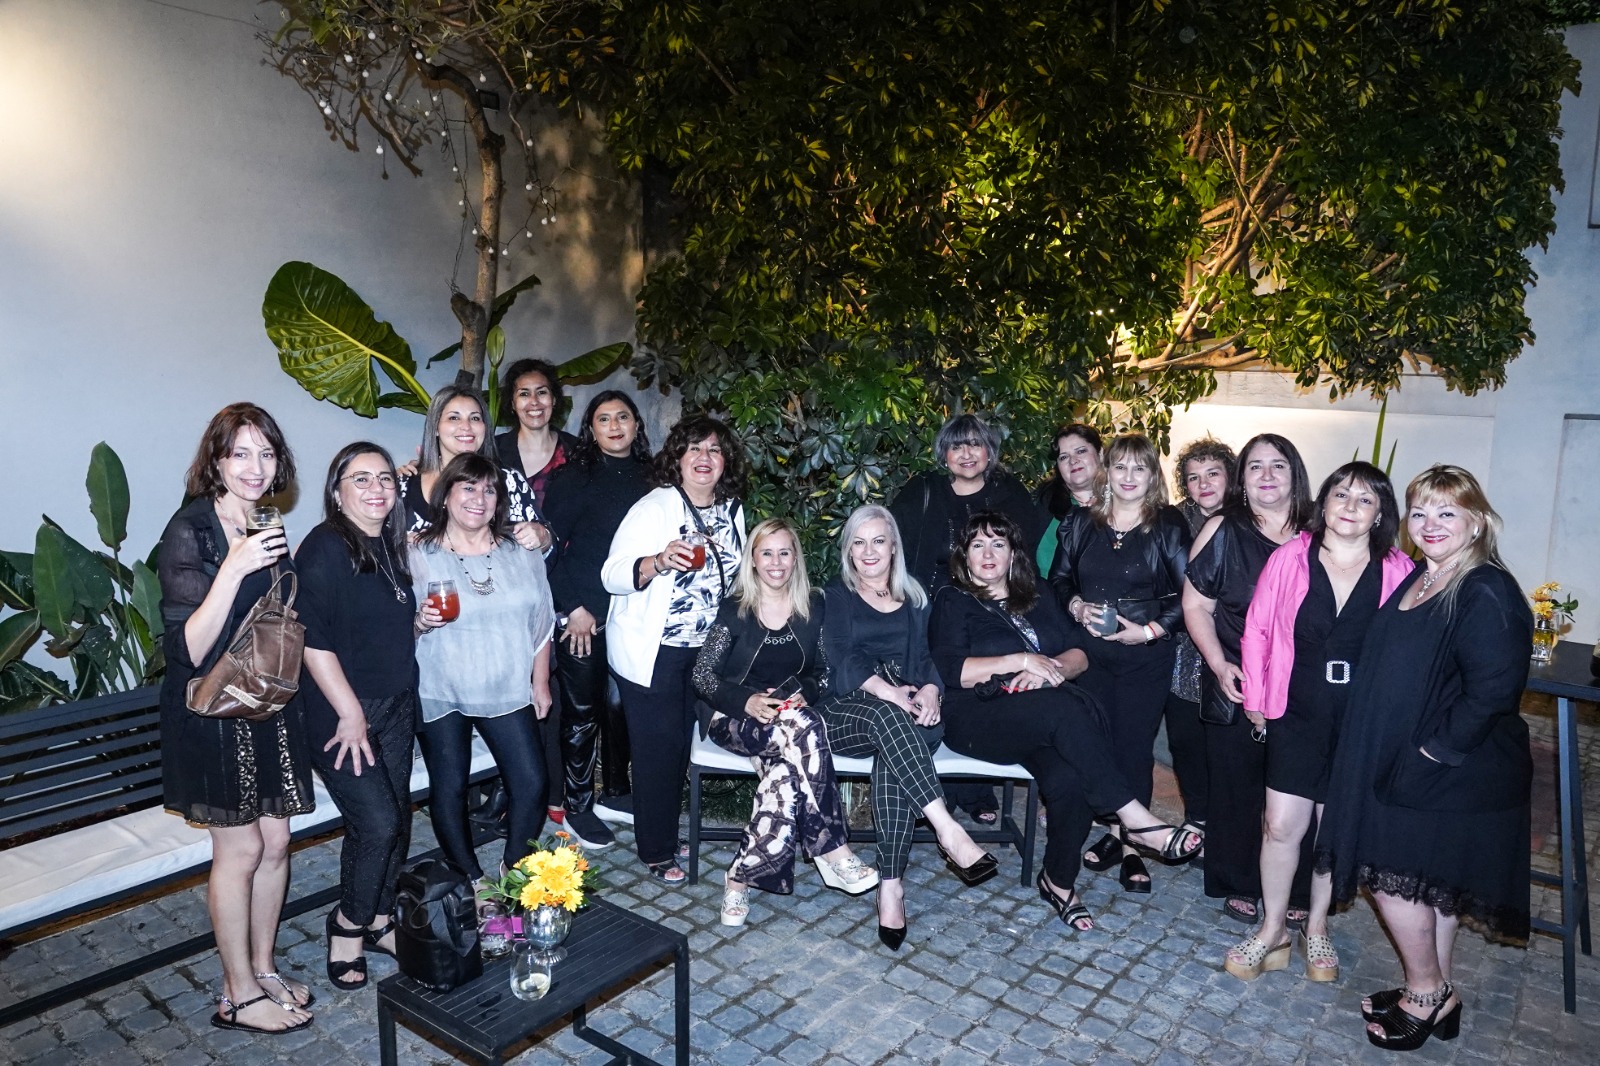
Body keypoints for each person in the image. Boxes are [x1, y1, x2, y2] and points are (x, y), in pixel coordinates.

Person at [1316, 466, 1532, 1051]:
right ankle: (1438, 992)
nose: (1430, 524)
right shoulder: (1425, 574)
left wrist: (1431, 753)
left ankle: (1425, 990)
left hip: (1449, 765)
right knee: (1429, 882)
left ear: (1476, 521)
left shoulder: (1485, 588)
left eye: (1446, 513)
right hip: (1407, 753)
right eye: (1419, 513)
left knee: (1393, 877)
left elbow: (1493, 691)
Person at [929, 512, 1202, 933]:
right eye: (977, 545)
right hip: (978, 717)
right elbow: (955, 672)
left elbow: (1080, 655)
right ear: (964, 555)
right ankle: (1134, 818)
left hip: (1042, 714)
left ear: (1013, 553)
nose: (988, 553)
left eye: (998, 544)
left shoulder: (1037, 593)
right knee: (1066, 709)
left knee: (1069, 776)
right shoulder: (953, 600)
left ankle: (1058, 881)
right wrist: (1021, 661)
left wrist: (1048, 671)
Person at [1222, 462, 1413, 984]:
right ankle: (1273, 930)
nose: (1351, 506)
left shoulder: (1399, 570)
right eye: (1342, 495)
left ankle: (1318, 924)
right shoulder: (1290, 557)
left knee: (1334, 827)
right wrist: (1256, 698)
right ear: (1323, 503)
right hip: (1296, 705)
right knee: (1280, 825)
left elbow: (1410, 650)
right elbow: (1258, 629)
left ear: (1380, 515)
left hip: (1361, 717)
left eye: (1366, 500)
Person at [158, 403, 315, 1033]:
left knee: (276, 841)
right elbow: (188, 650)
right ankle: (238, 993)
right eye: (241, 453)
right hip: (212, 709)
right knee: (241, 847)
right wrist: (234, 566)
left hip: (266, 703)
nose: (256, 467)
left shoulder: (264, 520)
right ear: (216, 461)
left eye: (267, 453)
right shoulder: (189, 530)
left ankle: (264, 968)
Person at [817, 505, 998, 950]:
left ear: (894, 545)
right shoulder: (836, 595)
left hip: (911, 711)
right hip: (846, 710)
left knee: (894, 750)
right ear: (848, 551)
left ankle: (890, 887)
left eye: (878, 540)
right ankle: (948, 830)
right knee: (890, 717)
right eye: (859, 543)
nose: (869, 551)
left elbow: (933, 658)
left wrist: (933, 691)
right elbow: (840, 655)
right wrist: (888, 692)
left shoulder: (917, 599)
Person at [693, 519, 880, 927]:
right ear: (753, 560)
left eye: (784, 552)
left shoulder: (812, 608)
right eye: (766, 553)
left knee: (784, 776)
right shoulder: (735, 610)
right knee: (806, 724)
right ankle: (833, 850)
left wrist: (805, 693)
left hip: (788, 718)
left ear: (796, 558)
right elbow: (703, 677)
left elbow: (824, 674)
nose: (776, 562)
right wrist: (746, 701)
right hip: (733, 717)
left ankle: (738, 879)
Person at [602, 415, 748, 885]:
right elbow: (611, 574)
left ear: (725, 461)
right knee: (657, 751)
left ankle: (664, 829)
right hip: (656, 651)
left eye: (714, 449)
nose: (704, 458)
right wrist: (659, 561)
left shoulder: (732, 509)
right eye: (694, 448)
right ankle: (656, 849)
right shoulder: (655, 507)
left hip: (705, 653)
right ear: (678, 458)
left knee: (681, 746)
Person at [296, 443, 421, 990]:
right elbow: (312, 638)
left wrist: (420, 625)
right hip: (342, 712)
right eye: (361, 479)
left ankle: (380, 917)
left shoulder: (390, 544)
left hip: (395, 703)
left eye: (385, 478)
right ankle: (347, 924)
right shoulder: (325, 546)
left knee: (399, 818)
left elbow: (376, 626)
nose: (377, 489)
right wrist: (349, 712)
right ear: (337, 490)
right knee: (376, 822)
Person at [1182, 434, 1315, 926]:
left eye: (1277, 465)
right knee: (1236, 788)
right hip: (1238, 677)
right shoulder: (1223, 529)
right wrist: (1219, 665)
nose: (1266, 476)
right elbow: (1196, 605)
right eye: (1255, 466)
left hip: (1304, 687)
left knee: (1299, 790)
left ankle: (1298, 887)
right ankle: (1237, 880)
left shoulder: (1320, 532)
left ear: (1294, 474)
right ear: (1243, 478)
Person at [1051, 434, 1191, 893]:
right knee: (1094, 743)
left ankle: (1133, 846)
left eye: (1139, 468)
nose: (1129, 476)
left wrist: (1148, 631)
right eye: (1120, 467)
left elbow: (1188, 595)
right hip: (1087, 656)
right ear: (1106, 472)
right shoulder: (1080, 522)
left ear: (1152, 476)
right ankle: (1114, 831)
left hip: (1144, 656)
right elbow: (1058, 579)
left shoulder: (1167, 525)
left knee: (1133, 748)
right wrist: (1075, 606)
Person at [409, 453, 556, 890]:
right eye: (468, 487)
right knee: (449, 787)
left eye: (489, 490)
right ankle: (471, 878)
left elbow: (541, 620)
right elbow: (392, 625)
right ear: (445, 495)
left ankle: (514, 867)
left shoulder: (520, 551)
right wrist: (418, 622)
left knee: (532, 782)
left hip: (505, 683)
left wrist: (540, 681)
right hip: (440, 685)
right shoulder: (417, 552)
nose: (479, 498)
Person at [890, 412, 1043, 823]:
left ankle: (975, 790)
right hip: (926, 607)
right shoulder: (923, 490)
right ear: (944, 454)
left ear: (989, 451)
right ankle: (925, 788)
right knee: (926, 689)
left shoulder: (1009, 494)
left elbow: (1024, 555)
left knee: (975, 691)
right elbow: (892, 544)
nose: (967, 453)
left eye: (975, 443)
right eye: (956, 445)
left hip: (986, 609)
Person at [541, 391, 653, 848]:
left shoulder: (654, 478)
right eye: (603, 419)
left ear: (636, 425)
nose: (614, 426)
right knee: (583, 713)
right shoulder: (574, 477)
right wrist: (574, 608)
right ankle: (578, 806)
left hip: (635, 614)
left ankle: (617, 794)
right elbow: (548, 550)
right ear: (591, 429)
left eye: (622, 417)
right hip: (584, 616)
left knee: (622, 708)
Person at [1163, 436, 1237, 858]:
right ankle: (1197, 818)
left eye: (1213, 473)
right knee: (1184, 740)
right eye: (1193, 477)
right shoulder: (1172, 522)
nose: (1203, 484)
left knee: (1225, 747)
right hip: (1179, 647)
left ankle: (1227, 827)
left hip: (1232, 646)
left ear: (1230, 476)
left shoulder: (1248, 520)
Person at [397, 385, 547, 550]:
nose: (466, 426)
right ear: (436, 427)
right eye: (454, 418)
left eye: (475, 418)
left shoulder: (508, 481)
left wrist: (543, 537)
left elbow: (546, 549)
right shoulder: (403, 485)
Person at [493, 357, 578, 509]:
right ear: (513, 404)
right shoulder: (493, 452)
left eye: (541, 392)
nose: (534, 401)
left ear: (554, 399)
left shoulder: (578, 451)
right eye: (524, 394)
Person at [1035, 423, 1103, 575]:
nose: (1073, 460)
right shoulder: (1043, 503)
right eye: (1064, 457)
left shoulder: (1122, 503)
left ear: (1101, 453)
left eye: (1081, 451)